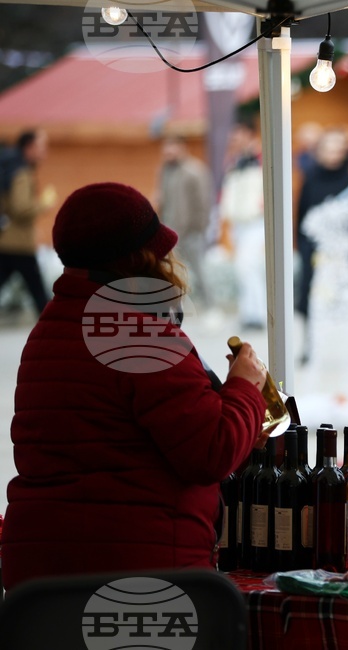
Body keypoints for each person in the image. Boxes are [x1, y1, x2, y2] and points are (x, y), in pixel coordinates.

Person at [0, 182, 268, 592]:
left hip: (41, 578)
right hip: (138, 570)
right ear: (139, 258)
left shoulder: (51, 326)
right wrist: (246, 387)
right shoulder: (136, 333)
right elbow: (211, 452)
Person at [295, 126, 348, 333]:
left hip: (342, 251)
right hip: (313, 250)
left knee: (347, 293)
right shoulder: (311, 180)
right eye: (330, 149)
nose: (334, 155)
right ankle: (311, 341)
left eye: (338, 150)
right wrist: (303, 248)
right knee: (311, 294)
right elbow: (302, 215)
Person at [0, 128, 57, 317]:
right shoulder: (21, 172)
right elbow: (21, 207)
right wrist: (43, 204)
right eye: (41, 147)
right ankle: (52, 325)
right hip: (18, 242)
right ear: (29, 147)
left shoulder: (9, 167)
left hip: (7, 241)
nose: (44, 152)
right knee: (38, 292)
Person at [218, 119, 266, 329]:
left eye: (237, 136)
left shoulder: (262, 158)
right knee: (243, 268)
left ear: (248, 134)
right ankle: (249, 312)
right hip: (239, 222)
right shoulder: (235, 162)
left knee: (249, 266)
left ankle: (259, 313)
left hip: (256, 221)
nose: (234, 141)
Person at [158, 135, 213, 306]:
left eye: (171, 149)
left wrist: (198, 229)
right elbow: (163, 201)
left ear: (182, 148)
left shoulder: (195, 170)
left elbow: (204, 202)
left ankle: (211, 306)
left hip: (191, 232)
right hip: (170, 231)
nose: (168, 153)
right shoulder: (165, 171)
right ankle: (178, 307)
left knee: (199, 270)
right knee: (172, 271)